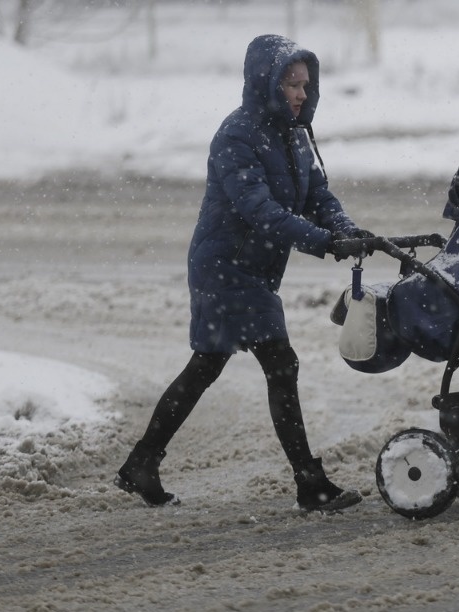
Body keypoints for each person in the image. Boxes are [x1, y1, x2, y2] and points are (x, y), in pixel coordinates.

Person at [115, 34, 369, 511]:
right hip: (224, 269)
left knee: (204, 368)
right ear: (266, 82)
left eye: (305, 86)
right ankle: (309, 482)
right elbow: (261, 211)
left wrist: (346, 230)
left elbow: (318, 195)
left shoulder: (294, 135)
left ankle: (141, 462)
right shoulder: (236, 135)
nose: (300, 94)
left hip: (252, 269)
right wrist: (323, 242)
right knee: (281, 364)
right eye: (291, 84)